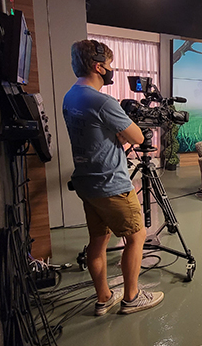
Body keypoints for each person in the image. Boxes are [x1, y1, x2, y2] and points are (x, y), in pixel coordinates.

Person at [63, 39, 164, 316]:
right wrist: (124, 131)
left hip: (87, 182)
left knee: (98, 240)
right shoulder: (102, 101)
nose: (111, 70)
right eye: (109, 65)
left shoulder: (70, 96)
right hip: (111, 183)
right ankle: (132, 297)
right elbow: (138, 136)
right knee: (137, 236)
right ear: (98, 66)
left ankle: (104, 297)